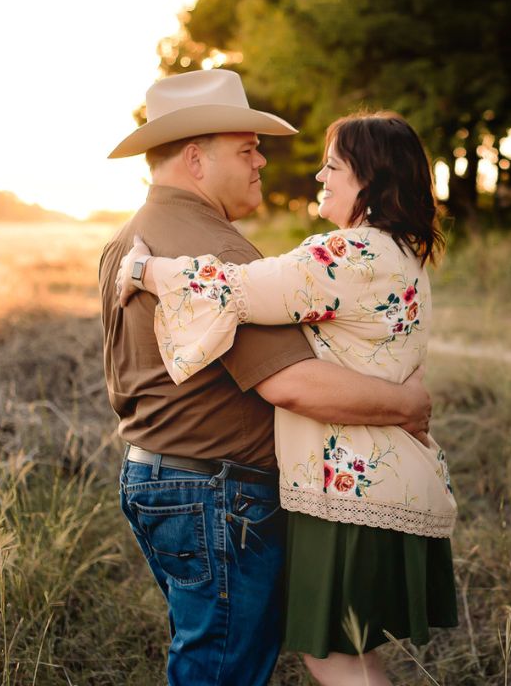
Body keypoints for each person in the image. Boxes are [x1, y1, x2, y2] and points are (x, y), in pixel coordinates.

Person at [98, 71, 434, 686]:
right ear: (197, 158)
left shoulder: (128, 238)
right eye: (246, 148)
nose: (262, 161)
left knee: (246, 652)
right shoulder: (214, 251)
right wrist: (407, 405)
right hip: (217, 495)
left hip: (155, 474)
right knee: (222, 671)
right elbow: (293, 383)